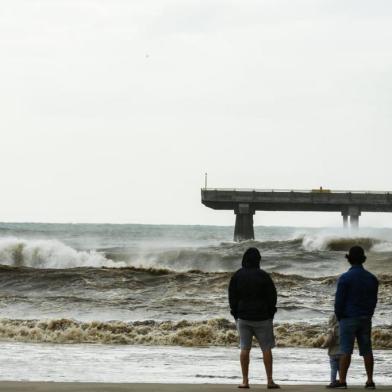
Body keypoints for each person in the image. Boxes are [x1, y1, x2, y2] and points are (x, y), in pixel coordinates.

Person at [228, 247, 280, 389]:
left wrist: (235, 312)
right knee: (266, 349)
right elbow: (272, 296)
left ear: (244, 259)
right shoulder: (263, 275)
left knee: (245, 348)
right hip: (263, 317)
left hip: (243, 317)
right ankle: (269, 381)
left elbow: (232, 296)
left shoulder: (237, 275)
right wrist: (271, 313)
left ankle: (245, 381)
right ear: (258, 260)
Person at [333, 245, 379, 389]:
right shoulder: (372, 278)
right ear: (363, 259)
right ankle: (370, 380)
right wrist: (369, 313)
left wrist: (340, 316)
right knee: (367, 350)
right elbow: (374, 299)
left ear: (350, 259)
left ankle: (342, 381)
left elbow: (339, 302)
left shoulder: (345, 278)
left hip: (348, 317)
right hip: (365, 317)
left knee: (346, 350)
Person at [323, 314, 342, 388]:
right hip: (341, 352)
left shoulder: (331, 329)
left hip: (332, 353)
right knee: (341, 368)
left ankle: (333, 382)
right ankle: (342, 381)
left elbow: (329, 340)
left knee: (333, 369)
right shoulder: (343, 328)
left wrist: (324, 345)